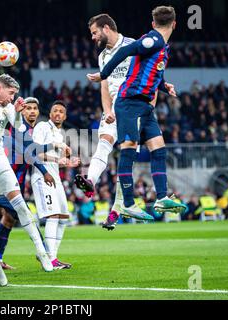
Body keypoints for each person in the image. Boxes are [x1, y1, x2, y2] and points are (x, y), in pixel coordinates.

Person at [87, 6, 187, 229]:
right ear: (175, 24)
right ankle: (127, 204)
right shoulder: (153, 40)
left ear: (154, 23)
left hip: (144, 105)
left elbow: (147, 69)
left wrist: (163, 86)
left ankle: (161, 198)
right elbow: (124, 52)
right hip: (129, 101)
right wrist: (103, 75)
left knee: (159, 148)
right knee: (129, 148)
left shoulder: (159, 44)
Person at [0, 74, 54, 286]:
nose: (12, 97)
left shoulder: (7, 107)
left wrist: (18, 111)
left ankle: (42, 253)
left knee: (20, 205)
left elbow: (19, 129)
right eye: (11, 93)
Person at [75, 14, 153, 223]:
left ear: (106, 28)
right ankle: (90, 181)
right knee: (104, 142)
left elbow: (150, 75)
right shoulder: (102, 56)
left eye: (94, 32)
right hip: (113, 110)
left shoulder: (134, 46)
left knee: (126, 157)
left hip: (132, 107)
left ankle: (119, 208)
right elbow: (104, 85)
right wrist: (107, 110)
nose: (92, 37)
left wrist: (148, 107)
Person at [0, 96, 67, 269]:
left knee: (7, 219)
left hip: (15, 182)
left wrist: (56, 149)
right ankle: (46, 257)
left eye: (34, 108)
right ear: (22, 111)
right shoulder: (18, 128)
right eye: (28, 108)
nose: (32, 111)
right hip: (2, 180)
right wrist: (46, 170)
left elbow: (34, 149)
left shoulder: (31, 132)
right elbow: (30, 153)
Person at [31, 101, 81, 269]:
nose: (58, 113)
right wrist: (57, 158)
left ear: (65, 116)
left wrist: (67, 163)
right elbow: (34, 151)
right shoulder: (43, 126)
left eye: (61, 112)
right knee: (53, 216)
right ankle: (49, 258)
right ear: (50, 114)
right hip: (42, 177)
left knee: (63, 218)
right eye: (55, 111)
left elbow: (55, 161)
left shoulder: (60, 135)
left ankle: (53, 257)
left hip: (55, 178)